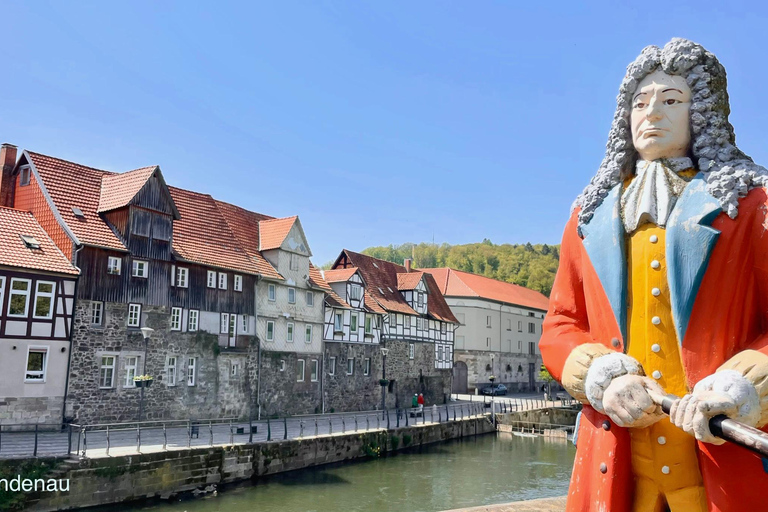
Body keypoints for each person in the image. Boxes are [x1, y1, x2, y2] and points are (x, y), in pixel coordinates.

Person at [540, 38, 768, 512]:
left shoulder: (753, 207)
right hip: (619, 470)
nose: (651, 113)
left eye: (670, 100)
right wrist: (600, 377)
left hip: (723, 467)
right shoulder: (586, 218)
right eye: (640, 103)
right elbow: (561, 324)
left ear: (701, 112)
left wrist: (747, 385)